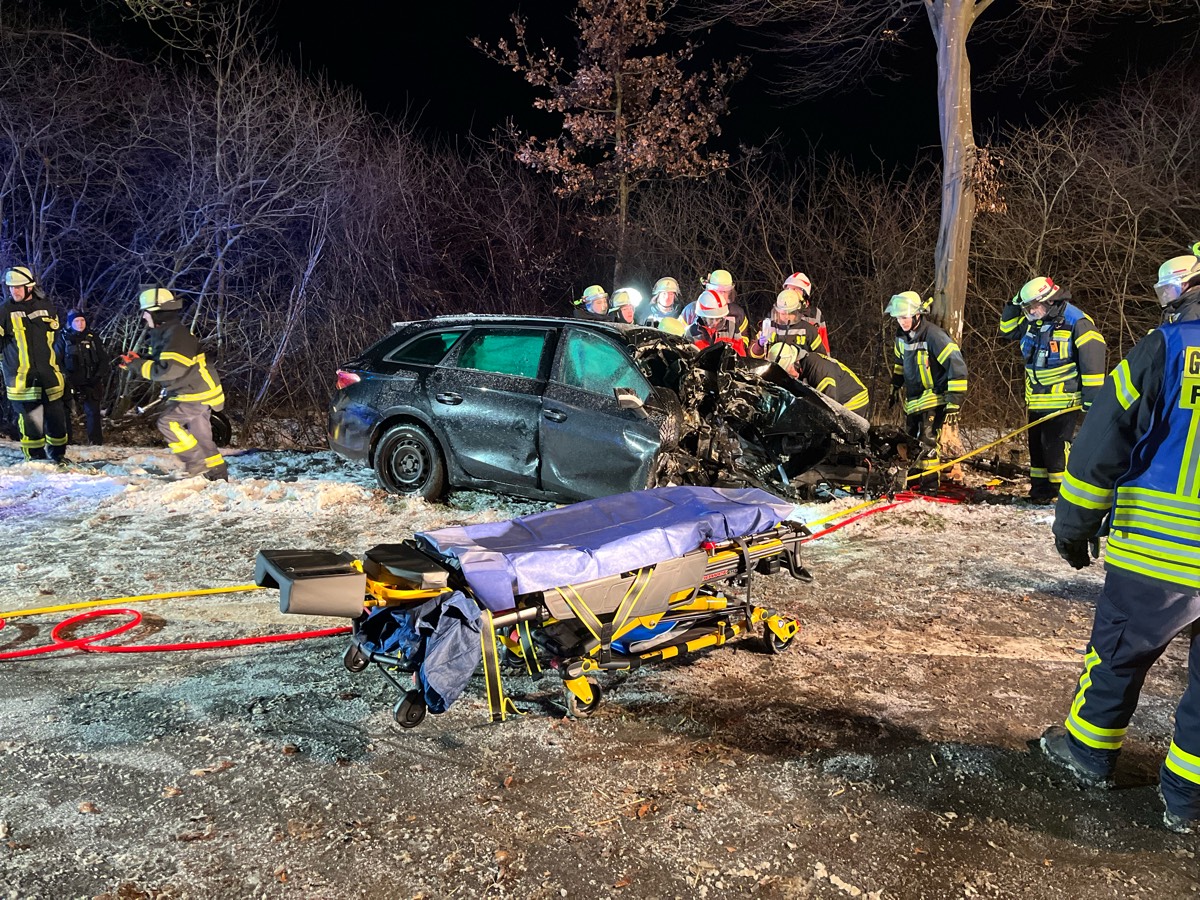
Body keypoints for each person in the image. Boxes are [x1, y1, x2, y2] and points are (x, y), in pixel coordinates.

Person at [1041, 252, 1200, 835]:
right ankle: (1187, 801)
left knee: (1117, 653)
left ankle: (1087, 752)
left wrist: (1075, 522)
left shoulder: (1168, 346)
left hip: (1166, 548)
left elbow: (1105, 435)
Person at [999, 276, 1106, 502]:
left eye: (1033, 307)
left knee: (1056, 452)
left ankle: (1063, 496)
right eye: (1026, 309)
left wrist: (1092, 401)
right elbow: (1007, 330)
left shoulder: (1077, 322)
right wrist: (1014, 303)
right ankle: (1040, 493)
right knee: (1037, 452)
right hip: (1037, 400)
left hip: (1064, 403)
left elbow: (1092, 363)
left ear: (1049, 301)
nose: (1029, 313)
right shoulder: (1034, 321)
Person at [120, 287, 228, 481]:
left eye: (146, 312)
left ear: (156, 312)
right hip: (199, 390)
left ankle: (195, 464)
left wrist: (136, 365)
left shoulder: (175, 334)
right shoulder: (168, 332)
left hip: (195, 393)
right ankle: (217, 473)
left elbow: (171, 370)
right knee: (201, 435)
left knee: (168, 422)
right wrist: (139, 360)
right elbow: (165, 362)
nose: (144, 317)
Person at [885, 291, 968, 489]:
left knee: (927, 441)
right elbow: (899, 363)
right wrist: (895, 386)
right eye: (898, 318)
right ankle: (913, 481)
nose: (901, 322)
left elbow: (957, 366)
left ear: (917, 315)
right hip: (913, 399)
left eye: (904, 317)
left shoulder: (934, 336)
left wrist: (954, 400)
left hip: (935, 396)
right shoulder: (901, 338)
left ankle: (930, 486)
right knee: (911, 441)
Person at [0, 266, 69, 463]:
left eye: (19, 287)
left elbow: (54, 339)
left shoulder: (47, 307)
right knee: (31, 423)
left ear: (30, 287)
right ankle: (35, 460)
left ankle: (58, 457)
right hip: (21, 379)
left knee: (57, 421)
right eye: (11, 288)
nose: (14, 291)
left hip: (49, 376)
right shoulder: (4, 311)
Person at [766, 341, 869, 415]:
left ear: (796, 362)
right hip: (837, 398)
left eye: (789, 370)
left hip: (853, 401)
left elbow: (829, 405)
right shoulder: (804, 367)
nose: (790, 375)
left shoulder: (818, 370)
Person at [61, 309, 107, 445]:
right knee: (65, 412)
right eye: (76, 321)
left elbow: (103, 359)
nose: (80, 324)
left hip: (91, 381)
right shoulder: (63, 338)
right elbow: (57, 360)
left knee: (93, 412)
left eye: (82, 320)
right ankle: (66, 441)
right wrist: (66, 379)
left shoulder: (93, 337)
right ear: (70, 323)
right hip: (70, 381)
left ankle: (96, 442)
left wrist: (98, 376)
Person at [751, 283, 829, 360]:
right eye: (782, 313)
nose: (786, 316)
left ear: (797, 311)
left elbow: (822, 357)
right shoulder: (769, 327)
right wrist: (759, 345)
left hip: (798, 371)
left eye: (790, 313)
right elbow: (752, 355)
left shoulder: (809, 330)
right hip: (773, 370)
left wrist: (805, 361)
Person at [681, 270, 749, 337]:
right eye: (717, 291)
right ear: (708, 289)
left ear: (730, 292)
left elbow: (744, 338)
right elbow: (677, 335)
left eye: (724, 291)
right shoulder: (690, 311)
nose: (720, 295)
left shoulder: (737, 313)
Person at [687, 289, 748, 356]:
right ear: (703, 317)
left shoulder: (732, 328)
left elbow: (740, 356)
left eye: (718, 318)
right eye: (711, 319)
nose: (715, 322)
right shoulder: (691, 333)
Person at [1156, 253, 1200, 325]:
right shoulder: (1184, 307)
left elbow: (1186, 335)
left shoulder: (1194, 311)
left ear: (1183, 284)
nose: (1165, 293)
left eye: (1167, 287)